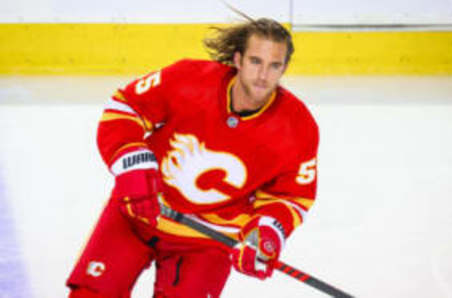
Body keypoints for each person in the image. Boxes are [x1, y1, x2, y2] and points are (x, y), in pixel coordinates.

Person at [67, 17, 319, 298]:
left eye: (274, 66)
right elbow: (125, 108)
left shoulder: (298, 127)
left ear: (284, 68)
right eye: (255, 61)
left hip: (207, 239)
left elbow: (291, 196)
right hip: (139, 210)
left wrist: (265, 234)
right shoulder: (188, 78)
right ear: (238, 59)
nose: (263, 75)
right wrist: (132, 164)